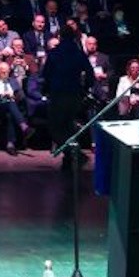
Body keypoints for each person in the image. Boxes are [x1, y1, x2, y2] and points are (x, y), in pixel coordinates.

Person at [41, 25, 94, 169]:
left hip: (58, 95)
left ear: (60, 37)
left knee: (55, 127)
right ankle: (69, 158)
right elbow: (90, 74)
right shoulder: (79, 53)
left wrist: (46, 90)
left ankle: (75, 153)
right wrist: (84, 89)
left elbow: (45, 75)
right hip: (74, 95)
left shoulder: (54, 53)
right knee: (68, 126)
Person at [0, 60, 32, 155]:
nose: (6, 74)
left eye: (7, 72)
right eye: (3, 72)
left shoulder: (13, 81)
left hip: (11, 108)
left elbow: (22, 96)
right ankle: (23, 126)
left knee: (10, 112)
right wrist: (1, 96)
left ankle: (10, 144)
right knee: (9, 103)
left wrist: (14, 96)